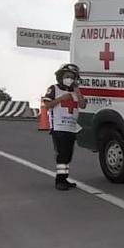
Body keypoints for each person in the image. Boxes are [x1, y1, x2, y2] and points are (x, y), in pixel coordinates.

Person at [41, 63, 86, 191]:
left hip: (71, 128)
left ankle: (64, 178)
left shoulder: (75, 92)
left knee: (68, 155)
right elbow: (47, 105)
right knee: (62, 154)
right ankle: (59, 181)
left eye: (72, 77)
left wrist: (77, 91)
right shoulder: (54, 88)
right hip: (59, 128)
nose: (69, 79)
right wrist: (61, 98)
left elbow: (82, 105)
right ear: (61, 76)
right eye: (67, 76)